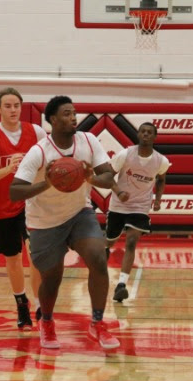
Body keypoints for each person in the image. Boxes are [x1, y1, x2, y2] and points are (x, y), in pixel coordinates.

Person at [10, 95, 119, 350]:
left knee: (98, 259)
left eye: (74, 113)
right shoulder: (39, 152)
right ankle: (46, 322)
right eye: (67, 113)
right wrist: (46, 184)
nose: (74, 117)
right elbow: (15, 191)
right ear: (53, 120)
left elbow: (108, 176)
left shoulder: (89, 141)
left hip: (79, 213)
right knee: (52, 278)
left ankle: (98, 322)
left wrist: (89, 176)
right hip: (44, 221)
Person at [0, 88, 44, 329]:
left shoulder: (35, 132)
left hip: (30, 203)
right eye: (8, 106)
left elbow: (48, 162)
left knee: (36, 255)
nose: (13, 110)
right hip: (1, 206)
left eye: (16, 105)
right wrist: (7, 169)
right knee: (13, 259)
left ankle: (39, 305)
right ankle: (21, 303)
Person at [105, 122, 170, 302]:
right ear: (138, 135)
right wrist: (118, 192)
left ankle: (122, 285)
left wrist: (157, 200)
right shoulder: (125, 154)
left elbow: (161, 180)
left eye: (150, 132)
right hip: (119, 205)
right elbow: (108, 175)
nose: (146, 135)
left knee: (132, 241)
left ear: (155, 137)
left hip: (140, 207)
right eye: (143, 132)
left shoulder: (161, 161)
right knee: (109, 242)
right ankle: (102, 256)